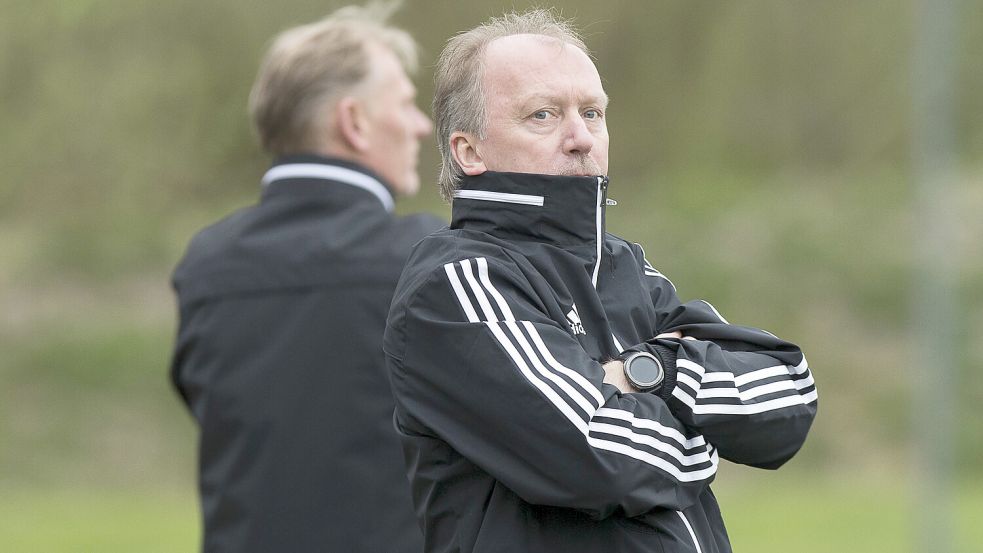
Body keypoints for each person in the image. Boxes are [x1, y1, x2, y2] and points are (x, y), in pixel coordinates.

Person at [384, 9, 818, 553]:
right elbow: (602, 454)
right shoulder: (457, 282)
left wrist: (649, 372)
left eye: (592, 113)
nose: (580, 138)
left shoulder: (623, 266)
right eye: (542, 115)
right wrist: (703, 434)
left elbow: (788, 396)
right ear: (469, 151)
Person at [170, 4, 442, 552]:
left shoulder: (206, 264)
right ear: (354, 122)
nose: (422, 125)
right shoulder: (423, 258)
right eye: (407, 104)